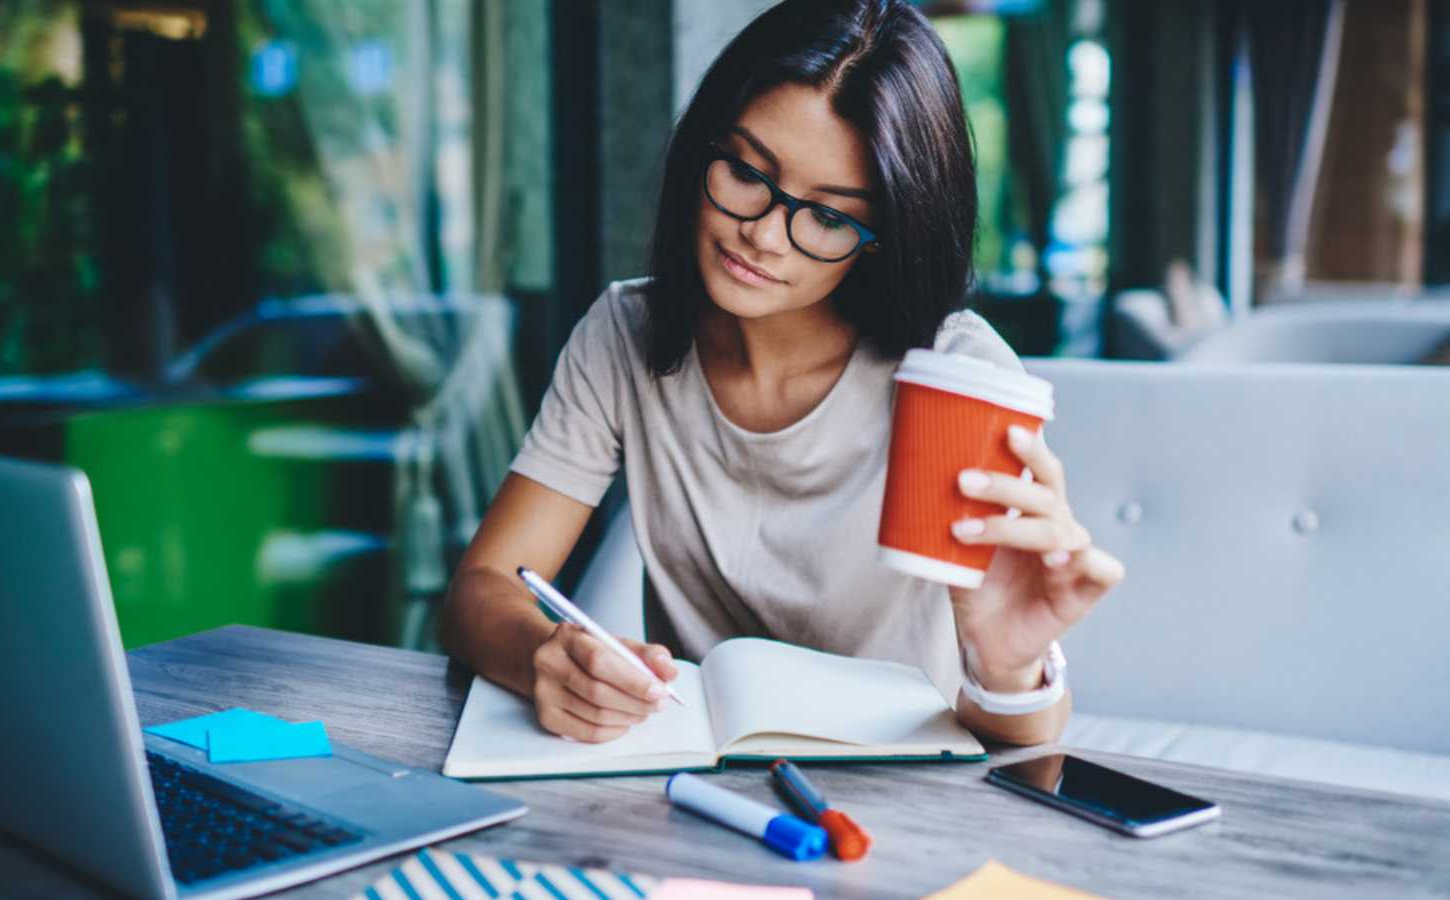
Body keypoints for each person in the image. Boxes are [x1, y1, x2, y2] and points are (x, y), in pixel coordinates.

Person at [440, 0, 1124, 747]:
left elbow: (1024, 746)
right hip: (699, 781)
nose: (763, 236)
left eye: (829, 218)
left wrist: (1007, 663)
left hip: (903, 793)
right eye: (743, 170)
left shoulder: (953, 376)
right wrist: (548, 656)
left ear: (884, 235)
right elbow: (483, 588)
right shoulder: (625, 335)